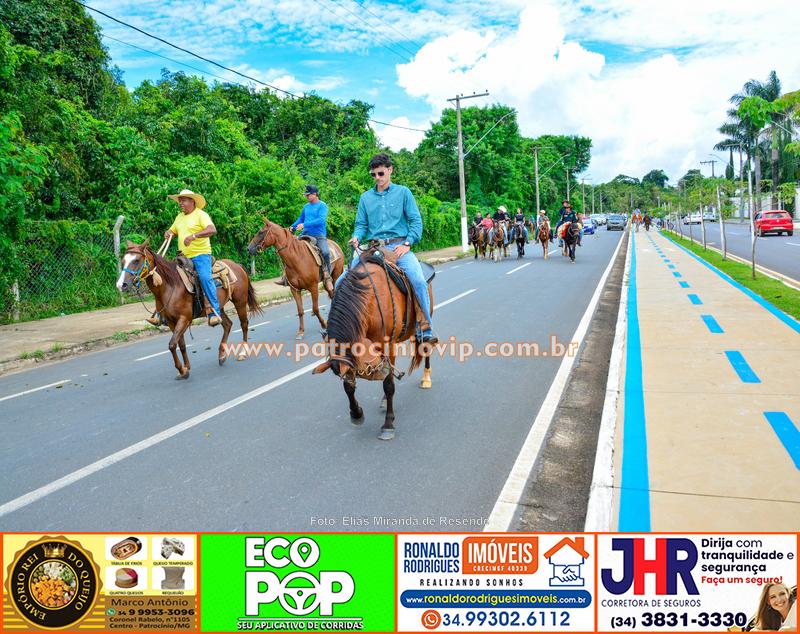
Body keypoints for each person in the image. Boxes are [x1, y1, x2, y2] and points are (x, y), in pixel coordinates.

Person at [345, 152, 437, 344]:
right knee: (340, 283)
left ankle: (424, 328)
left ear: (390, 170)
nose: (377, 178)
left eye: (380, 173)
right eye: (373, 175)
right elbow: (361, 225)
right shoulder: (365, 198)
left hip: (398, 247)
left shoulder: (404, 193)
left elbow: (415, 221)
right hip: (373, 248)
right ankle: (342, 328)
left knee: (419, 281)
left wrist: (408, 243)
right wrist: (356, 237)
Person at [151, 189, 221, 327]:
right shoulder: (179, 217)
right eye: (179, 200)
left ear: (192, 201)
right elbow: (174, 231)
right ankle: (162, 313)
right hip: (183, 257)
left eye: (183, 200)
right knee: (168, 278)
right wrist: (169, 233)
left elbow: (212, 229)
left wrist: (194, 236)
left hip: (200, 255)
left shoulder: (201, 215)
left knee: (205, 278)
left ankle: (214, 312)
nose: (180, 203)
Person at [290, 184, 334, 293]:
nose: (307, 197)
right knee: (290, 249)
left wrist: (305, 225)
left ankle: (327, 275)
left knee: (326, 252)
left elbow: (321, 220)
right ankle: (287, 277)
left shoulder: (322, 206)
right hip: (305, 234)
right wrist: (292, 226)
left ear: (315, 194)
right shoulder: (306, 207)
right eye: (306, 195)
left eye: (308, 195)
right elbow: (301, 219)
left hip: (318, 235)